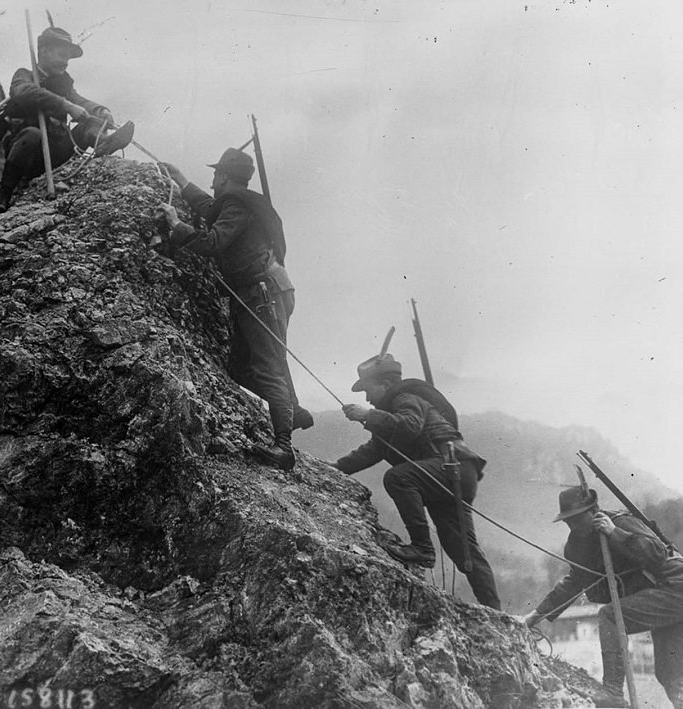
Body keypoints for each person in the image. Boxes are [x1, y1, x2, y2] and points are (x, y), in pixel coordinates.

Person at [157, 148, 313, 471]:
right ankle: (290, 408)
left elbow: (214, 242)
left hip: (262, 292)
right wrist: (182, 180)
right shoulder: (238, 203)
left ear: (225, 177)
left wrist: (177, 226)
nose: (212, 182)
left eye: (215, 176)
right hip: (261, 291)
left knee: (268, 366)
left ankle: (284, 446)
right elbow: (209, 207)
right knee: (241, 369)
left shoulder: (236, 205)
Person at [333, 352, 501, 610]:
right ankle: (495, 612)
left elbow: (410, 425)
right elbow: (374, 450)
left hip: (450, 468)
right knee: (462, 549)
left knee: (398, 478)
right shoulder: (392, 411)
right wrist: (335, 469)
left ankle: (422, 547)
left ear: (386, 385)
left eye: (368, 390)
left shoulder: (405, 398)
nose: (367, 398)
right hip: (453, 473)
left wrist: (368, 416)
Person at [524, 487, 683, 708]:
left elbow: (657, 553)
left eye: (578, 519)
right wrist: (534, 617)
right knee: (670, 673)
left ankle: (613, 692)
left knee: (610, 615)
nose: (574, 526)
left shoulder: (620, 522)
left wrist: (614, 533)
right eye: (568, 521)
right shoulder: (576, 547)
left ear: (594, 511)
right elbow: (575, 582)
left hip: (675, 587)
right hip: (663, 596)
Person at [0, 27, 134, 214]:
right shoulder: (24, 75)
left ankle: (104, 143)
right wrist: (66, 106)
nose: (65, 62)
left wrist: (100, 110)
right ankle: (4, 195)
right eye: (61, 55)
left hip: (58, 152)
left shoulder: (64, 82)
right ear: (44, 51)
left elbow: (79, 101)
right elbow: (22, 92)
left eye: (68, 58)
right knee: (32, 134)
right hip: (29, 156)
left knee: (91, 122)